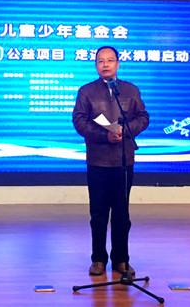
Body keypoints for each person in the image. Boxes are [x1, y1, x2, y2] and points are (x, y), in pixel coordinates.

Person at [72, 45, 149, 277]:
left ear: (118, 64)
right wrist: (104, 135)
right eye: (100, 61)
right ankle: (98, 259)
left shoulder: (130, 90)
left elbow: (143, 117)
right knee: (98, 214)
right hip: (98, 161)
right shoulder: (86, 91)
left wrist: (126, 130)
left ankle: (121, 260)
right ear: (96, 65)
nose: (105, 64)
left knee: (122, 215)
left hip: (124, 162)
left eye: (110, 60)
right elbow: (79, 121)